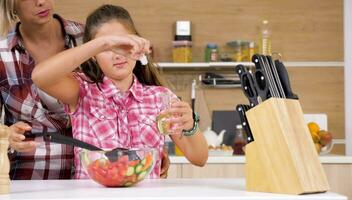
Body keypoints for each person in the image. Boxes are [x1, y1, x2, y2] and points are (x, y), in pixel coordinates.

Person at [32, 4, 208, 178]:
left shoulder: (160, 97)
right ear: (93, 55)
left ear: (136, 43)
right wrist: (101, 43)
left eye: (123, 43)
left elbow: (199, 159)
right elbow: (40, 76)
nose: (117, 55)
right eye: (106, 49)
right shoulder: (81, 91)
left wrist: (191, 126)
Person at [0, 0, 170, 179]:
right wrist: (6, 136)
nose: (41, 1)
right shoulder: (2, 56)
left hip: (96, 178)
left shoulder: (93, 37)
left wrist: (151, 149)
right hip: (31, 177)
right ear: (10, 4)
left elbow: (133, 94)